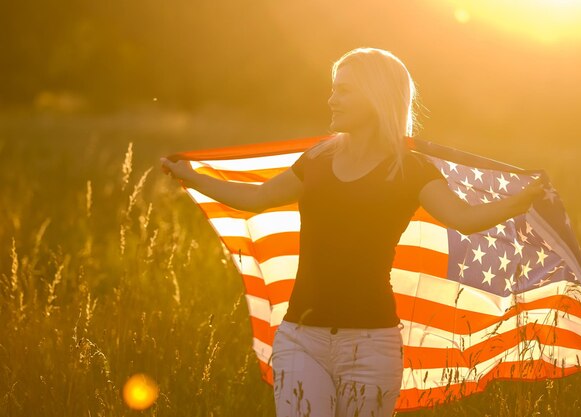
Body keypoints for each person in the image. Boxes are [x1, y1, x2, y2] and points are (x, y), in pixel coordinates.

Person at [160, 47, 544, 417]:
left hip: (371, 345)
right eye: (333, 89)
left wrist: (518, 202)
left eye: (343, 90)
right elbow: (256, 197)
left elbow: (464, 218)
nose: (331, 100)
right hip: (300, 339)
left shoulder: (410, 170)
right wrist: (191, 177)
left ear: (375, 98)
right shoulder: (318, 159)